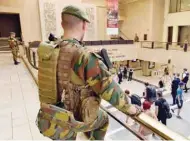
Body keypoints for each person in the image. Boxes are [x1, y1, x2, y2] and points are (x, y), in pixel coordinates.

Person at [36, 5, 141, 140]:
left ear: (62, 24)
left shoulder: (50, 49)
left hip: (49, 115)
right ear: (84, 25)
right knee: (103, 119)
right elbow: (109, 89)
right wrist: (132, 109)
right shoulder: (83, 56)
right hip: (69, 121)